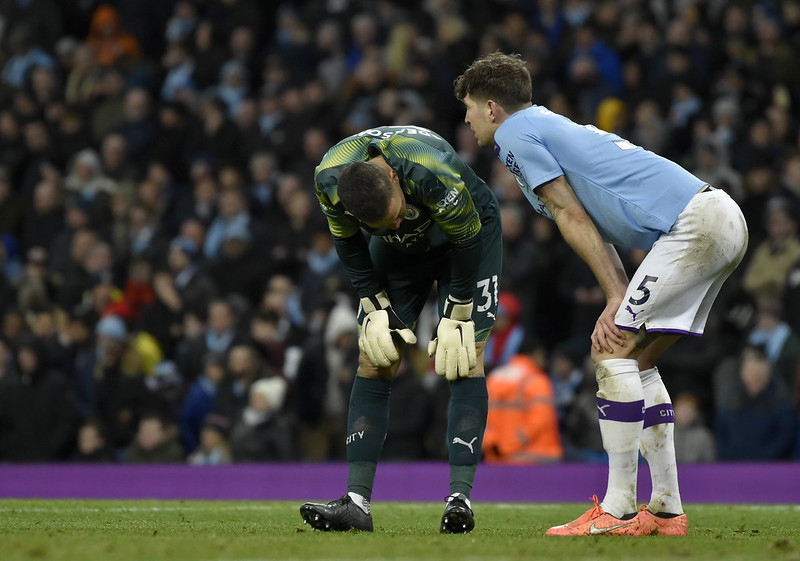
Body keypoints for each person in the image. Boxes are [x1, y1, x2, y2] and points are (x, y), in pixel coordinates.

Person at [454, 52, 749, 537]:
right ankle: (668, 510)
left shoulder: (513, 135)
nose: (466, 120)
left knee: (609, 350)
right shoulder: (545, 126)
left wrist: (615, 296)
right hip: (718, 219)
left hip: (694, 226)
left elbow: (569, 215)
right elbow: (589, 222)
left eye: (468, 107)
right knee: (638, 359)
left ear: (491, 107)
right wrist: (617, 292)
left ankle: (617, 509)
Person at [299, 124, 502, 534]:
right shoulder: (329, 178)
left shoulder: (431, 169)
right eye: (380, 224)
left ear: (393, 177)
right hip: (400, 257)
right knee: (375, 357)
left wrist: (458, 309)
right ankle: (356, 502)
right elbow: (348, 243)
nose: (392, 225)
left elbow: (466, 241)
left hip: (467, 236)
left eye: (393, 216)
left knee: (463, 356)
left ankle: (459, 500)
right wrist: (372, 299)